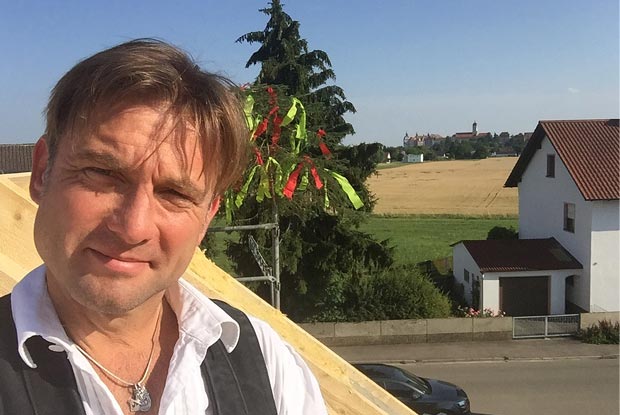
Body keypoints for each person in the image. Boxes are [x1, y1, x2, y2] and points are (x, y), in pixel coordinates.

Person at [0, 39, 328, 415]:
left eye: (174, 193)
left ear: (207, 215)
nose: (133, 227)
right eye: (102, 173)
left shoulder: (269, 367)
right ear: (42, 172)